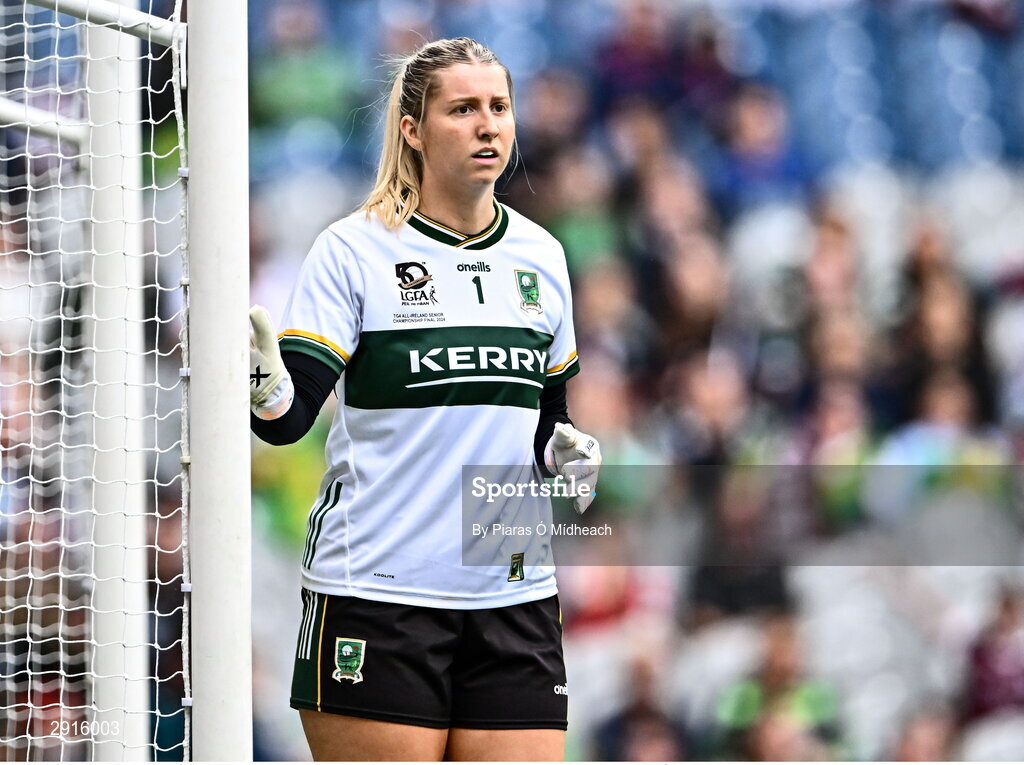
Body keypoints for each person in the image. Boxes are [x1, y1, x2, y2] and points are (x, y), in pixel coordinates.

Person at [248, 38, 601, 761]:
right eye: (463, 108)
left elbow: (547, 418)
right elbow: (287, 423)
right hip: (379, 592)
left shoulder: (543, 256)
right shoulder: (352, 251)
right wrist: (265, 383)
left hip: (513, 592)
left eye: (499, 107)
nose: (488, 125)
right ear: (411, 128)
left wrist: (565, 447)